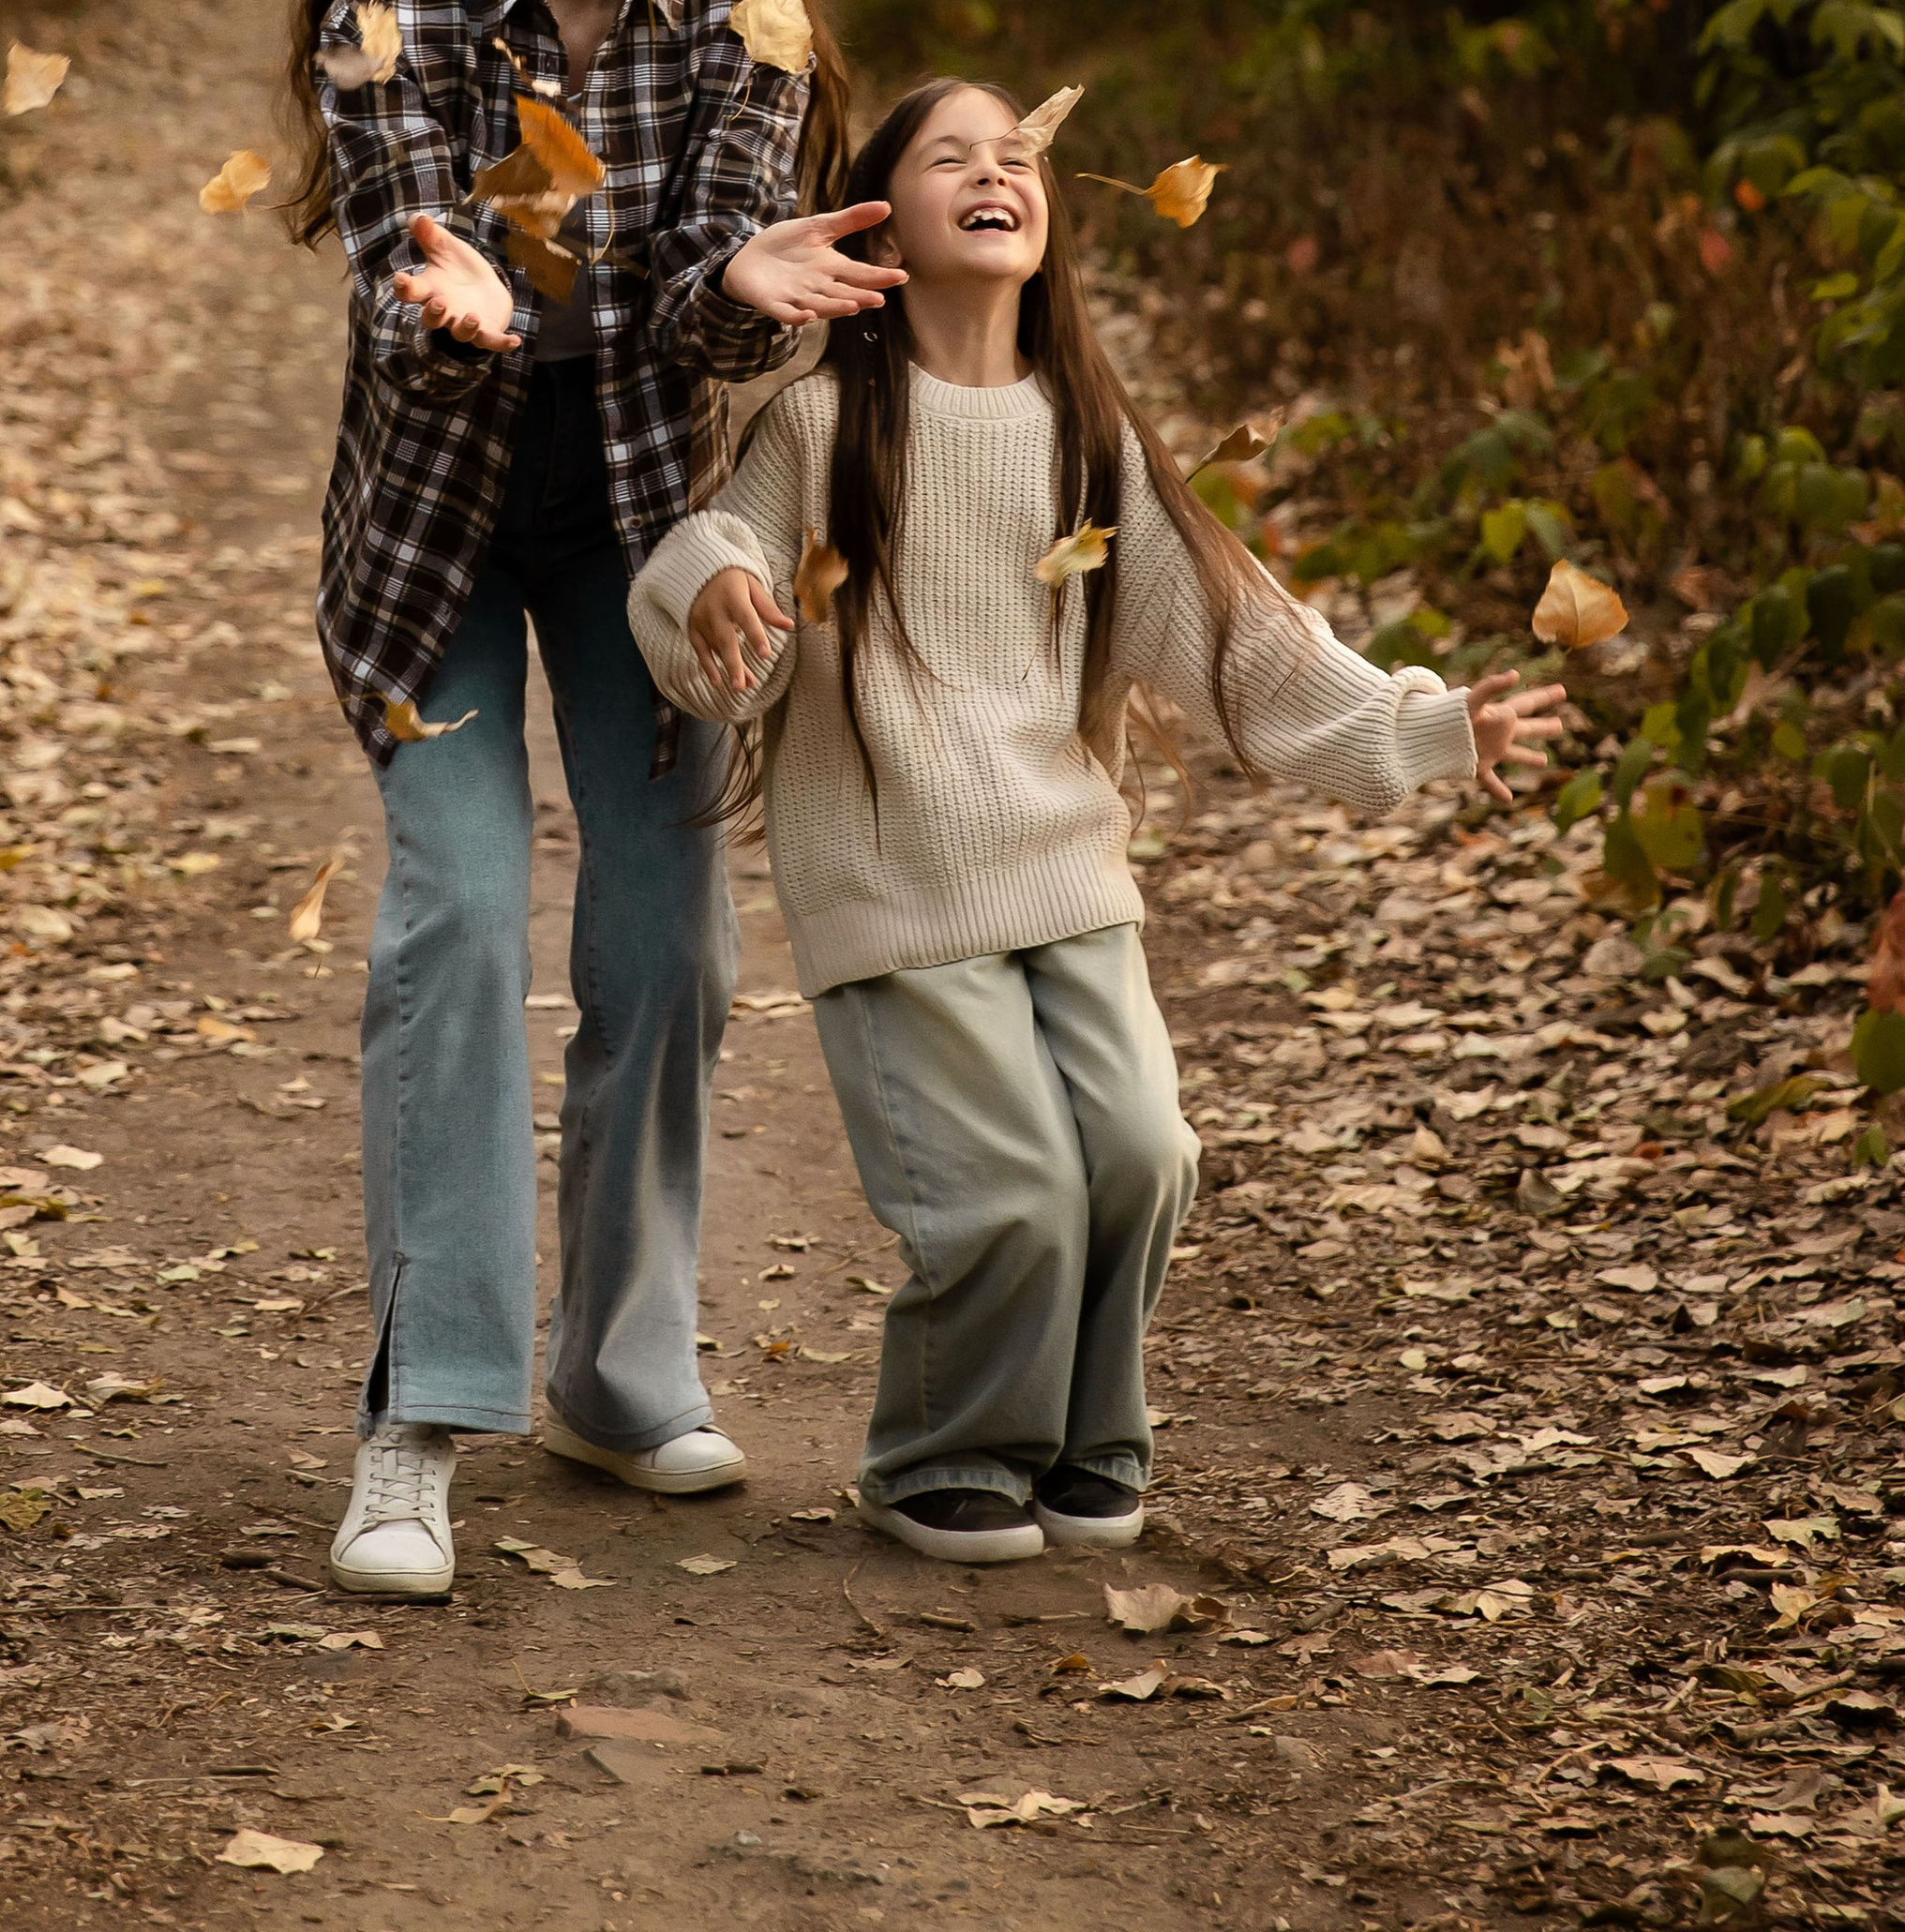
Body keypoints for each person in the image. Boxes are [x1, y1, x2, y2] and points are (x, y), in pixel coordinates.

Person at [627, 77, 1566, 1565]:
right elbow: (713, 546)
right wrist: (714, 590)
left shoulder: (1094, 438)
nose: (997, 173)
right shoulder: (821, 421)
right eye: (953, 159)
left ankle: (1085, 1443)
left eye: (1020, 158)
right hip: (894, 875)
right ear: (881, 224)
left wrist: (1418, 725)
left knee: (1142, 1156)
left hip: (1063, 869)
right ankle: (945, 1452)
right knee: (1008, 1198)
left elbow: (1237, 631)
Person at [286, 0, 902, 1598]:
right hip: (435, 527)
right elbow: (402, 239)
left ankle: (620, 1376)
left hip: (647, 533)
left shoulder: (741, 10)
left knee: (664, 950)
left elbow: (696, 288)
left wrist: (750, 287)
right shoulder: (396, 4)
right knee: (455, 921)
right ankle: (423, 1414)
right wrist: (441, 292)